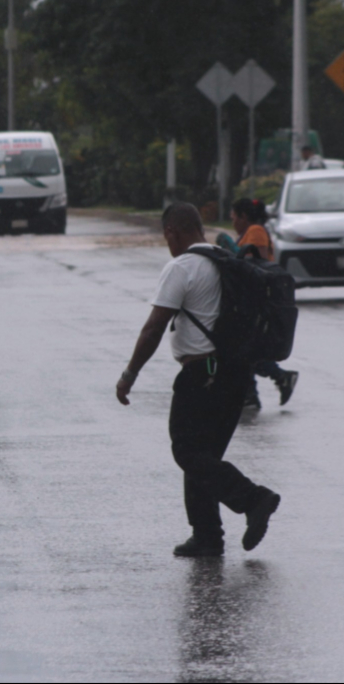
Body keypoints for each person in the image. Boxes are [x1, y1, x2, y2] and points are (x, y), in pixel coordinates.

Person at [116, 202, 282, 558]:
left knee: (188, 451)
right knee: (203, 458)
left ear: (171, 233)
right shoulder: (227, 263)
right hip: (237, 374)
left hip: (202, 374)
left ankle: (254, 499)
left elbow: (154, 327)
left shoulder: (183, 267)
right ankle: (207, 536)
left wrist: (130, 374)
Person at [228, 198, 298, 409]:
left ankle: (259, 390)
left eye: (234, 218)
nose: (233, 222)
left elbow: (257, 264)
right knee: (245, 348)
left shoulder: (256, 231)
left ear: (244, 217)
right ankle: (256, 391)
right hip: (248, 299)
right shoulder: (249, 231)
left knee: (244, 348)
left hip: (257, 301)